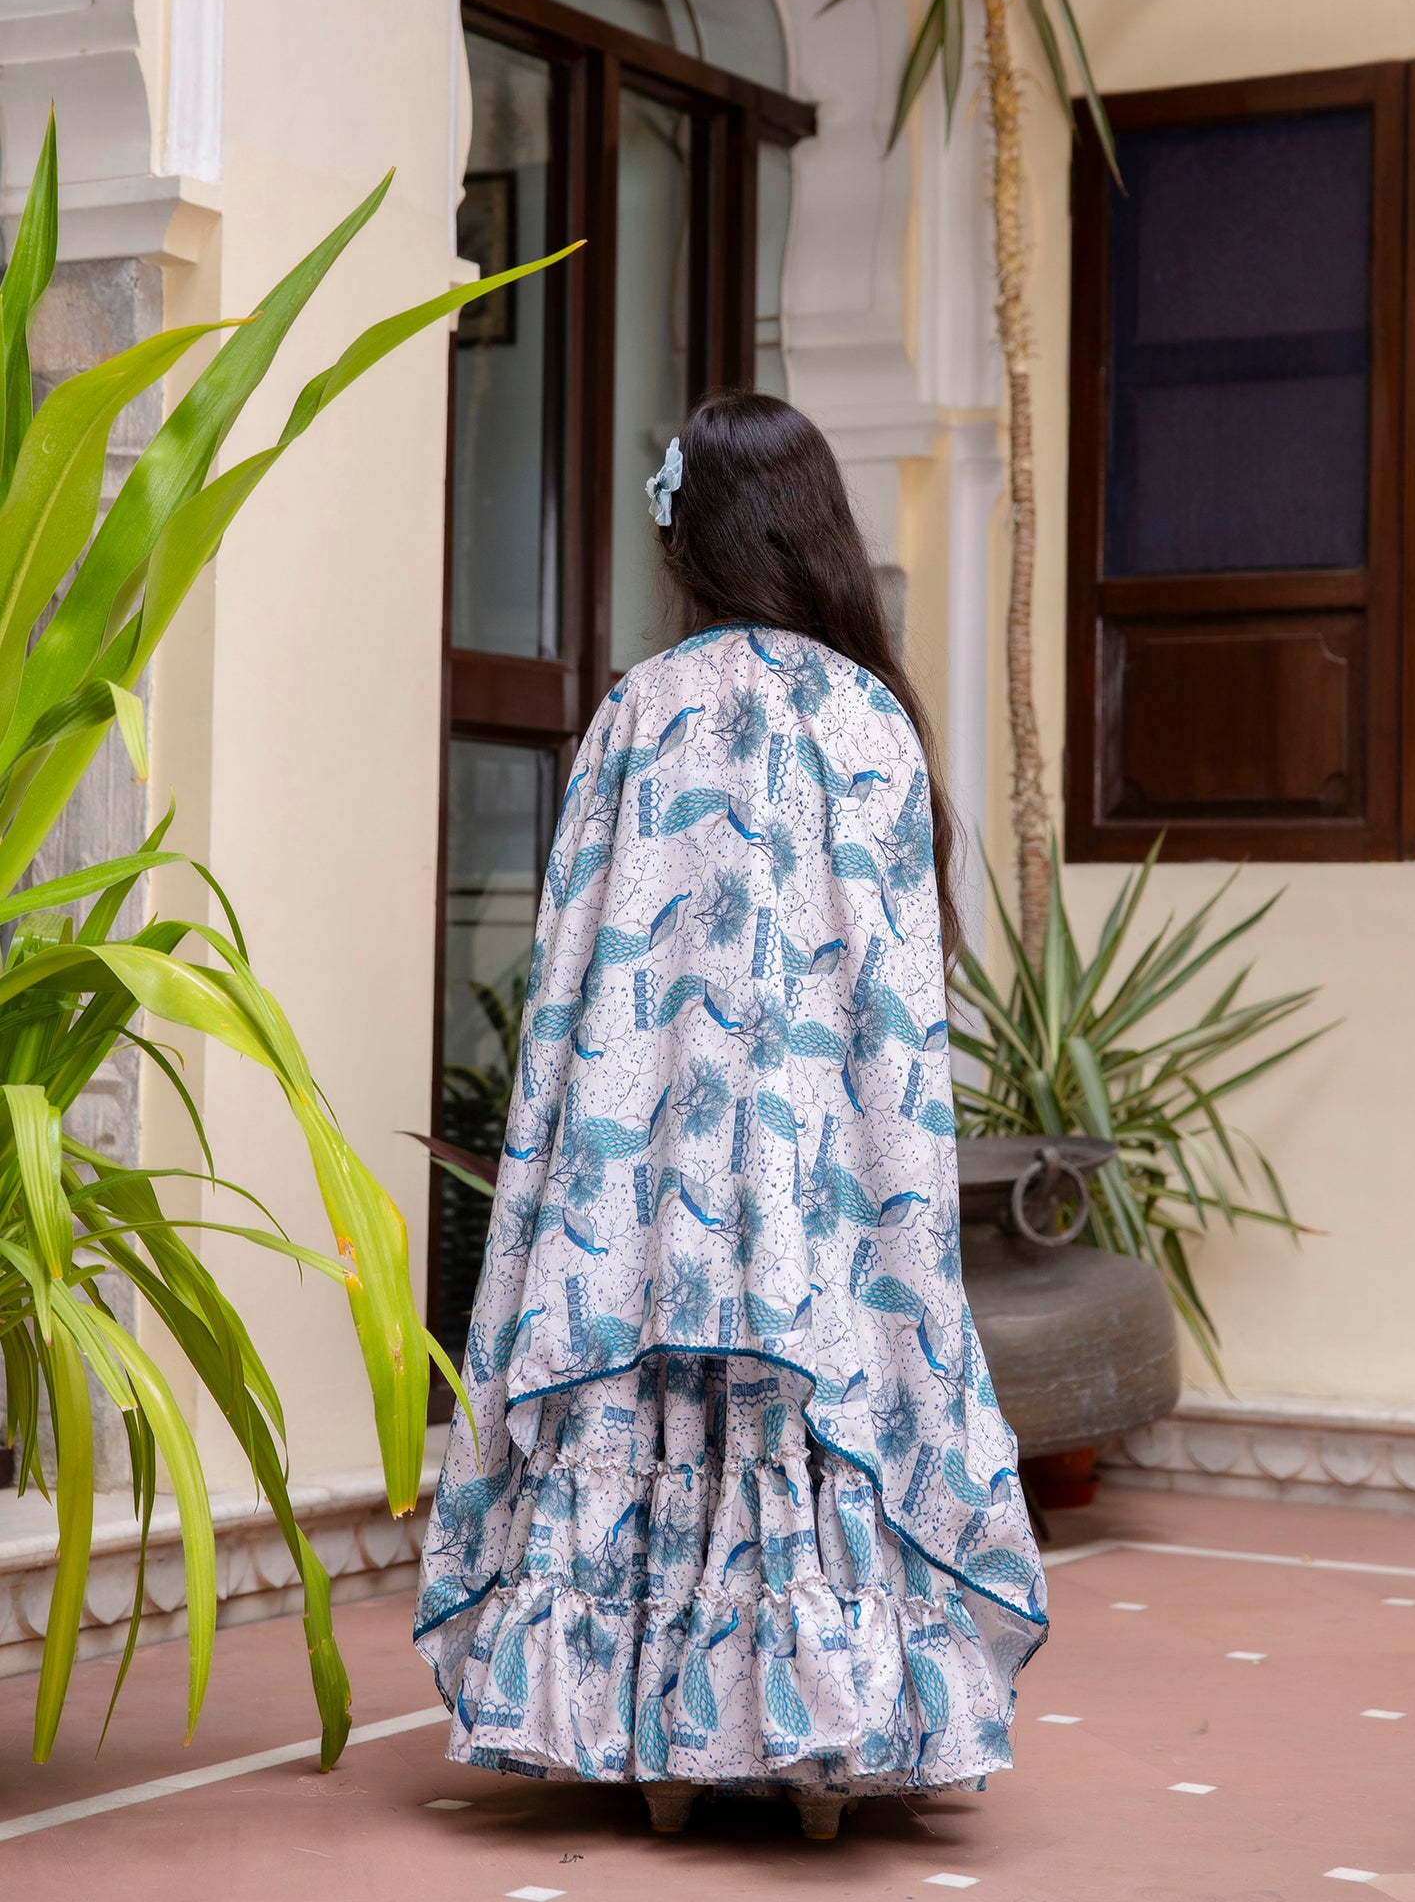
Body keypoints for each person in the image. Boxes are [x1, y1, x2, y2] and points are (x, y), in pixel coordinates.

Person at [414, 391, 1047, 1840]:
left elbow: (574, 974)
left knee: (644, 1394)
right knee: (806, 1397)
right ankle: (822, 1744)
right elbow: (895, 1012)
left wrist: (568, 1161)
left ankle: (651, 1744)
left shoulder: (640, 709)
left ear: (685, 532)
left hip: (642, 1186)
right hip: (815, 1184)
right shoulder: (870, 720)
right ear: (813, 530)